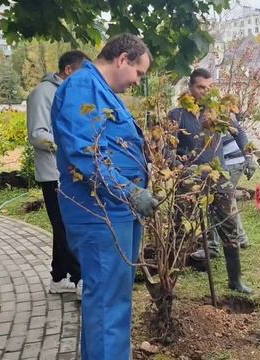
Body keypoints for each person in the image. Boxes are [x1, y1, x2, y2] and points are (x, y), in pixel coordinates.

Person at [51, 34, 158, 360]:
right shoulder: (82, 87)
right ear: (123, 59)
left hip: (115, 210)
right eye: (139, 73)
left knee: (114, 298)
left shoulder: (99, 89)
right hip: (100, 213)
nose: (137, 82)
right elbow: (86, 154)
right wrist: (128, 190)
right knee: (106, 301)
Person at [169, 68, 253, 294]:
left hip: (219, 177)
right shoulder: (177, 115)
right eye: (200, 87)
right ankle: (170, 278)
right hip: (190, 180)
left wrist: (249, 155)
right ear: (190, 89)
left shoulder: (219, 113)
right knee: (180, 229)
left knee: (229, 228)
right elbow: (168, 149)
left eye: (209, 87)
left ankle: (236, 280)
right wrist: (177, 166)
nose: (205, 92)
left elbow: (240, 133)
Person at [26, 50, 88, 299]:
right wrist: (68, 147)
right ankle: (80, 278)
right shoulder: (43, 93)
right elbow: (38, 134)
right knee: (67, 226)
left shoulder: (71, 93)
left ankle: (59, 277)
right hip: (54, 173)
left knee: (62, 225)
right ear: (69, 70)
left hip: (70, 171)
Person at [191, 96, 254, 261]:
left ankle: (213, 246)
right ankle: (240, 238)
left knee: (217, 202)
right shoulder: (198, 116)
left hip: (232, 163)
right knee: (228, 201)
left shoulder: (215, 114)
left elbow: (239, 132)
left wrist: (249, 157)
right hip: (232, 162)